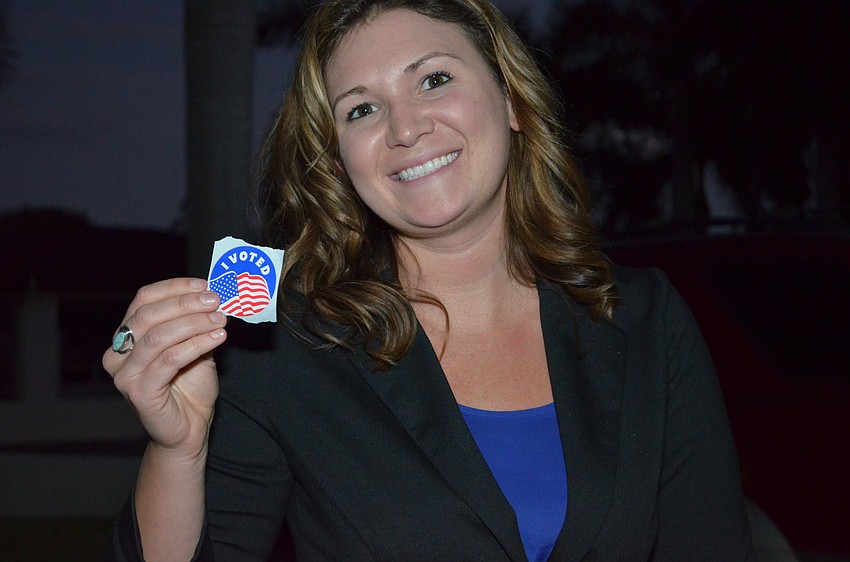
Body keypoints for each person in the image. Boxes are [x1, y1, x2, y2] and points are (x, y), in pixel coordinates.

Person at [103, 0, 755, 560]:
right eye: (360, 110)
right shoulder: (279, 346)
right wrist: (179, 451)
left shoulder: (645, 319)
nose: (406, 127)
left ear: (511, 102)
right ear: (339, 162)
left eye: (434, 79)